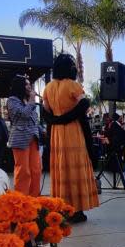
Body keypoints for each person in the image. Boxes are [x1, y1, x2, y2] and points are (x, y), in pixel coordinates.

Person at [42, 54, 98, 223]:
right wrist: (68, 117)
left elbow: (45, 111)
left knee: (61, 169)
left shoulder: (48, 88)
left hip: (57, 134)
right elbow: (84, 104)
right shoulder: (73, 85)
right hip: (73, 131)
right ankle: (77, 210)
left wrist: (56, 120)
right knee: (75, 169)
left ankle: (61, 208)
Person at [7, 76, 42, 197]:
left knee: (36, 169)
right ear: (20, 86)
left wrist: (42, 130)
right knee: (23, 171)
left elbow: (34, 120)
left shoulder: (28, 101)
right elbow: (24, 115)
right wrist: (32, 100)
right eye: (26, 84)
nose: (29, 86)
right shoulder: (12, 100)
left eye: (29, 84)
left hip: (33, 138)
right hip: (20, 139)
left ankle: (34, 198)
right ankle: (22, 200)